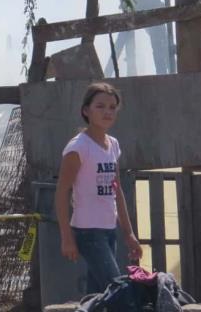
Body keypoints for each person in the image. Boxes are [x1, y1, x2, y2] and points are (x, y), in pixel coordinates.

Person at [54, 82, 142, 294]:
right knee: (120, 292)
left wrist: (129, 233)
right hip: (88, 232)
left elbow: (117, 189)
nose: (107, 112)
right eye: (100, 106)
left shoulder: (113, 144)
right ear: (86, 111)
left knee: (97, 297)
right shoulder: (78, 147)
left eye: (112, 107)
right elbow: (61, 193)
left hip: (108, 229)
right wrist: (67, 238)